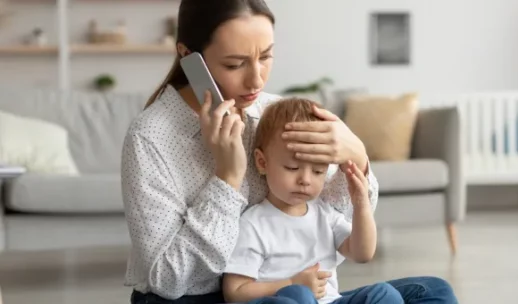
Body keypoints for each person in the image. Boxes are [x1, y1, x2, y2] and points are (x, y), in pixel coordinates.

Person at [121, 0, 458, 303]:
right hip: (198, 298)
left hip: (299, 291)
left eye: (265, 56)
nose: (257, 81)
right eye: (236, 64)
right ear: (188, 57)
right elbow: (167, 280)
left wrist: (357, 156)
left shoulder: (276, 114)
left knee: (433, 292)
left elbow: (336, 223)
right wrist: (227, 178)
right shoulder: (151, 137)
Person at [222, 98, 403, 304]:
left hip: (332, 301)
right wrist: (290, 284)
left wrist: (361, 205)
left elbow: (362, 254)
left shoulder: (326, 215)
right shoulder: (253, 224)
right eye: (292, 168)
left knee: (384, 293)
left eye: (318, 171)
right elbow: (234, 292)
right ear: (262, 162)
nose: (305, 180)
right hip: (288, 300)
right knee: (298, 296)